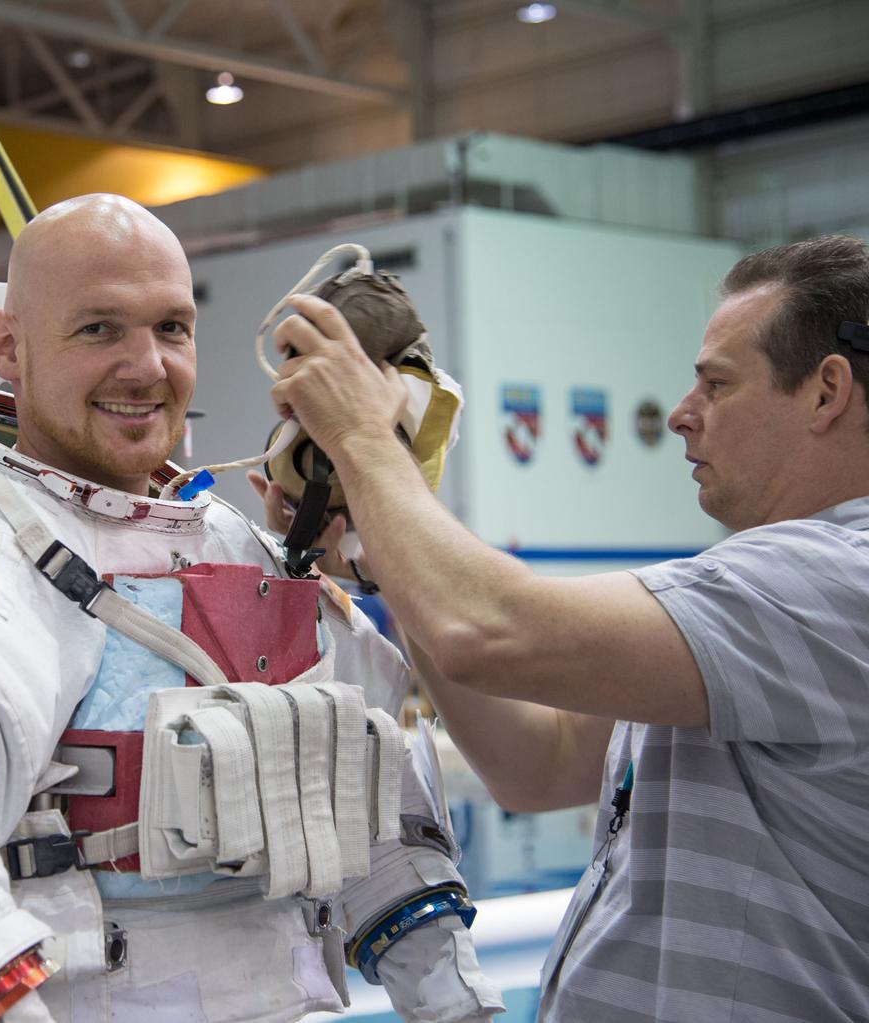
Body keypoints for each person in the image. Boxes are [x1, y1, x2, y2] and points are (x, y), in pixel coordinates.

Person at [0, 194, 503, 1023]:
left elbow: (368, 801)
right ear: (6, 346)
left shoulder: (230, 543)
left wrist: (456, 1003)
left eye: (171, 328)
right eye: (99, 329)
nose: (147, 366)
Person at [263, 233, 869, 1021]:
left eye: (716, 385)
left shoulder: (836, 582)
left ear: (827, 392)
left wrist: (365, 436)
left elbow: (484, 629)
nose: (682, 416)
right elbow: (537, 761)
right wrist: (379, 548)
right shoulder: (766, 609)